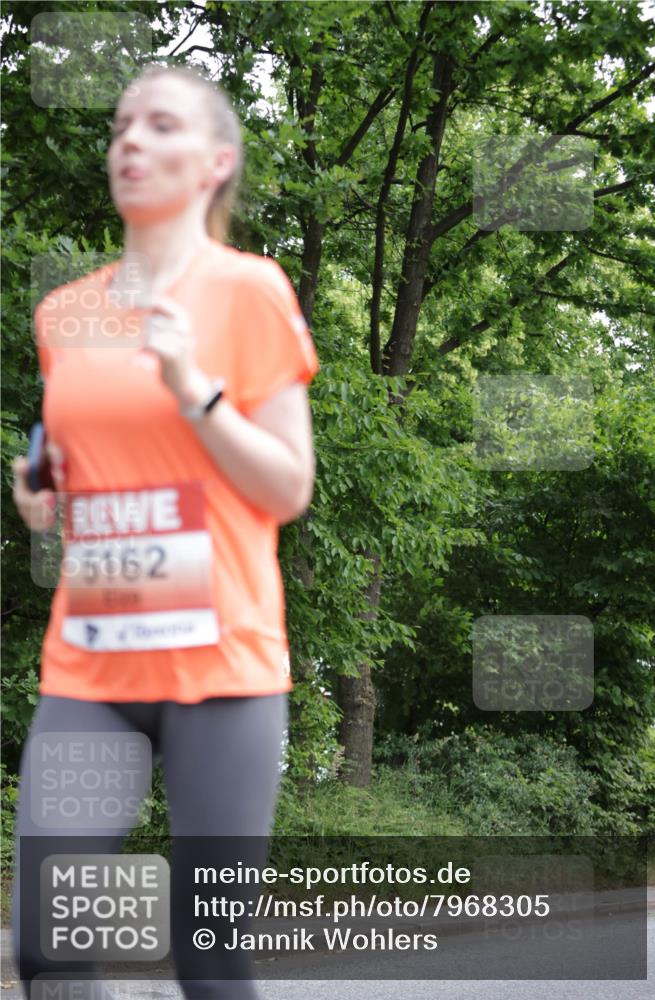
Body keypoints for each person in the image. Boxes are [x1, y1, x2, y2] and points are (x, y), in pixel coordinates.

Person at [10, 62, 320, 1000]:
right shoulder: (64, 315)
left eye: (160, 126)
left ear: (215, 162)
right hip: (92, 665)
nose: (131, 142)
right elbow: (75, 459)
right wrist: (41, 492)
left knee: (209, 958)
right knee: (49, 948)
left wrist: (196, 392)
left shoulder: (250, 291)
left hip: (221, 666)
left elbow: (287, 486)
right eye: (120, 127)